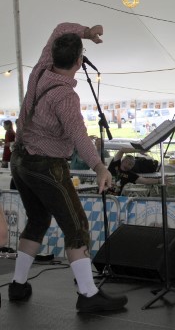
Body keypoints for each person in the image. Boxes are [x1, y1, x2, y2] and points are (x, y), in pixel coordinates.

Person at [8, 22, 127, 312]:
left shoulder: (40, 69)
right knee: (76, 226)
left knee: (38, 221)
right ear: (78, 61)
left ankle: (18, 285)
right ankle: (87, 295)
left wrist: (86, 31)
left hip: (19, 160)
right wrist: (99, 166)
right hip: (45, 165)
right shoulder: (65, 96)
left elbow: (61, 28)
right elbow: (79, 136)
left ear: (53, 53)